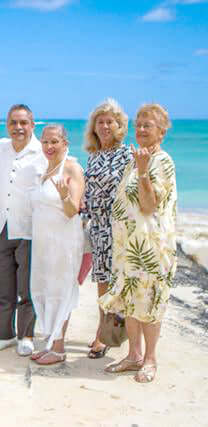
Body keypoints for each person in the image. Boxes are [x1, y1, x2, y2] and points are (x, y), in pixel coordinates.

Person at [99, 104, 177, 383]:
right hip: (128, 248)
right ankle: (133, 355)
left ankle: (150, 359)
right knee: (131, 301)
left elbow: (148, 205)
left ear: (161, 132)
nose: (141, 129)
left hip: (151, 250)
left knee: (151, 302)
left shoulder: (162, 161)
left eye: (148, 125)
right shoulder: (136, 159)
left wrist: (144, 172)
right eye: (139, 124)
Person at [0, 105, 47, 356]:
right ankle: (4, 335)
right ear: (7, 125)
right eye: (14, 123)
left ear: (32, 125)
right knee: (2, 286)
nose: (18, 128)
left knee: (26, 289)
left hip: (28, 228)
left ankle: (26, 335)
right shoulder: (0, 147)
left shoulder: (42, 152)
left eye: (23, 123)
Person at [29, 125, 85, 365]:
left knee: (60, 290)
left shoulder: (72, 167)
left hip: (64, 241)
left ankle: (60, 348)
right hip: (43, 241)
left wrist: (63, 195)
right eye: (45, 142)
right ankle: (50, 341)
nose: (49, 147)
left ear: (65, 143)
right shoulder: (45, 169)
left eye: (54, 142)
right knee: (43, 289)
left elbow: (74, 210)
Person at [81, 99, 131, 359]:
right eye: (100, 122)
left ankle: (122, 333)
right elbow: (88, 195)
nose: (104, 126)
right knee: (102, 281)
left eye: (110, 121)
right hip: (98, 227)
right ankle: (103, 332)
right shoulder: (92, 157)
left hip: (120, 227)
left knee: (121, 282)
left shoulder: (127, 155)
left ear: (119, 125)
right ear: (94, 127)